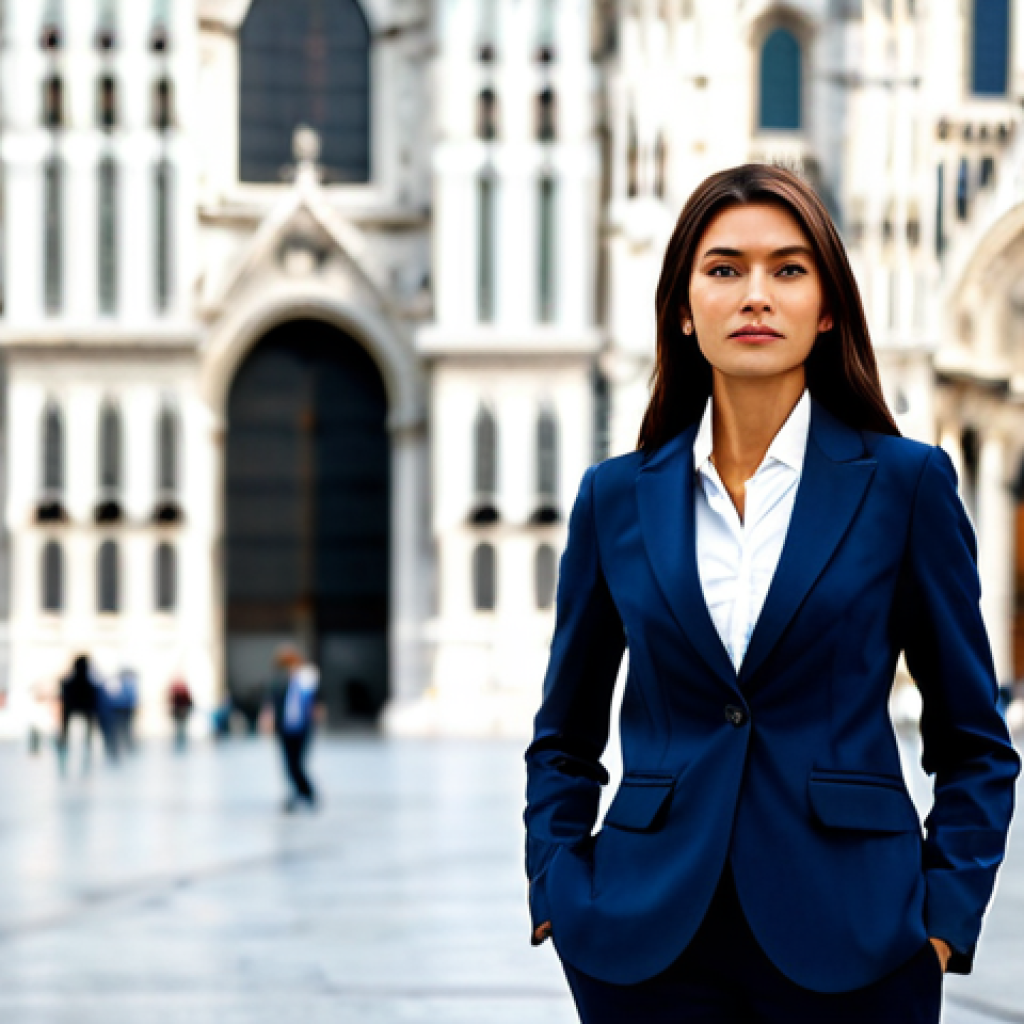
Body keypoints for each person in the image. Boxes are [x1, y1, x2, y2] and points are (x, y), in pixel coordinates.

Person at [523, 164, 1020, 1023]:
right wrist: (558, 889)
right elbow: (564, 736)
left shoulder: (905, 485)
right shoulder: (614, 498)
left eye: (788, 270)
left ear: (827, 307)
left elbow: (975, 741)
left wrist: (941, 920)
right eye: (724, 270)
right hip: (642, 945)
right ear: (683, 307)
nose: (756, 294)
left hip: (859, 944)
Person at [268, 645, 320, 812]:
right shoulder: (279, 681)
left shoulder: (306, 679)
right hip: (285, 729)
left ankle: (307, 792)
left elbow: (315, 698)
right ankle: (298, 793)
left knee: (298, 764)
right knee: (288, 765)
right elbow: (272, 702)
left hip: (302, 728)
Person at [58, 654, 99, 774]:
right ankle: (81, 752)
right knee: (84, 731)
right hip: (80, 706)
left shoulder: (70, 682)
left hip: (75, 705)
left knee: (67, 731)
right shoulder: (87, 682)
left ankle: (66, 751)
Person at [167, 677, 193, 751]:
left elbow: (190, 701)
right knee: (178, 727)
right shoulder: (176, 693)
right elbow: (172, 702)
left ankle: (182, 741)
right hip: (178, 713)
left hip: (183, 712)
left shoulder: (185, 692)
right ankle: (179, 741)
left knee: (182, 727)